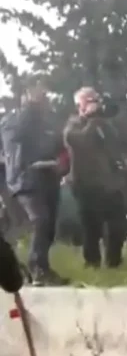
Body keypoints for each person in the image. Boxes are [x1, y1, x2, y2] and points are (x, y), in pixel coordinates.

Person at [0, 78, 68, 285]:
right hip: (25, 179)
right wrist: (30, 104)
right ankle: (36, 268)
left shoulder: (46, 122)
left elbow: (58, 144)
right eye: (37, 94)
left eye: (44, 95)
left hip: (48, 177)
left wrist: (60, 162)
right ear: (25, 96)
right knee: (40, 219)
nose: (43, 97)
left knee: (49, 226)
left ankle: (42, 268)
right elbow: (16, 137)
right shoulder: (14, 120)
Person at [63, 87, 127, 269]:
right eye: (91, 100)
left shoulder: (104, 124)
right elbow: (80, 141)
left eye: (97, 99)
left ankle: (114, 262)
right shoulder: (73, 125)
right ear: (80, 104)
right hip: (85, 183)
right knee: (92, 227)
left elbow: (114, 146)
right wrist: (91, 119)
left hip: (109, 182)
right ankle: (91, 263)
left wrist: (123, 163)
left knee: (118, 223)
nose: (96, 103)